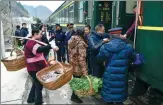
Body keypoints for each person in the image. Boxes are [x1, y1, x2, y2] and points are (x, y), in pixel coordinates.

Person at [97, 27, 136, 105]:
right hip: (121, 77)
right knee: (119, 98)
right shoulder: (128, 47)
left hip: (109, 76)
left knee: (109, 99)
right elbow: (134, 58)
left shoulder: (105, 47)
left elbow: (99, 59)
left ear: (110, 36)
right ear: (120, 35)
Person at [24, 29, 59, 105]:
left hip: (35, 67)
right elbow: (38, 50)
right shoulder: (30, 42)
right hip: (34, 68)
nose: (41, 36)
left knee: (35, 84)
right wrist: (49, 46)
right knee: (39, 86)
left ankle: (30, 99)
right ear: (35, 34)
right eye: (40, 34)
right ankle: (38, 102)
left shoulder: (33, 42)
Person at [68, 29, 88, 103]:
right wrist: (84, 71)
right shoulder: (81, 43)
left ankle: (75, 95)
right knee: (77, 81)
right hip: (78, 66)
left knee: (76, 80)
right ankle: (74, 96)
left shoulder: (71, 40)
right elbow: (81, 58)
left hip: (72, 64)